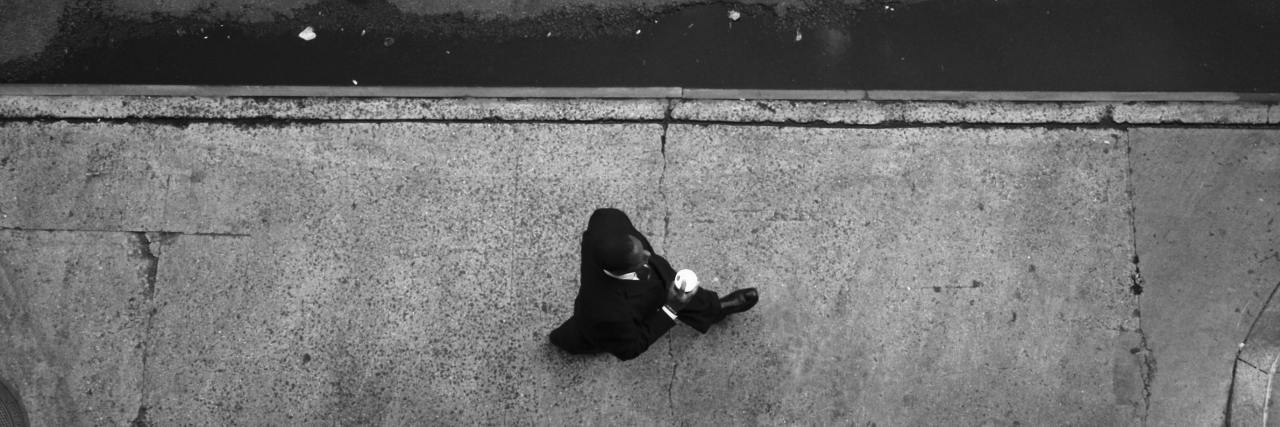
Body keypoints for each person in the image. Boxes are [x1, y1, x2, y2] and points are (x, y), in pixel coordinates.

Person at [549, 208, 758, 361]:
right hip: (620, 314)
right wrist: (671, 309)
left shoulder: (607, 220)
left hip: (654, 284)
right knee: (587, 336)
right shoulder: (605, 313)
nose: (649, 255)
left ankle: (714, 310)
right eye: (641, 258)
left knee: (679, 290)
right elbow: (631, 349)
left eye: (643, 249)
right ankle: (566, 342)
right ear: (622, 270)